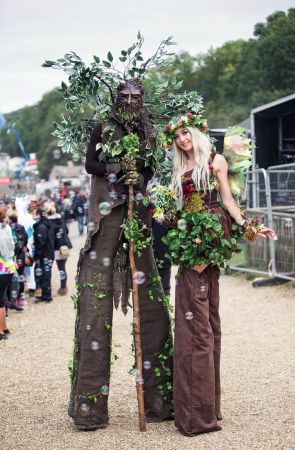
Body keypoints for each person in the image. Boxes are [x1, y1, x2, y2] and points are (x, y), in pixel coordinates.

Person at [69, 78, 173, 430]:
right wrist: (115, 169)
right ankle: (90, 409)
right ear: (117, 99)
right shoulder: (103, 126)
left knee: (152, 302)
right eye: (125, 95)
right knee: (96, 302)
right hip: (108, 211)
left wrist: (138, 175)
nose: (130, 100)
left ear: (143, 100)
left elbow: (152, 167)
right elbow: (89, 164)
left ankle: (159, 401)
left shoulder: (150, 131)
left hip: (137, 209)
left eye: (136, 96)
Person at [162, 114, 276, 437]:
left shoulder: (215, 161)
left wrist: (251, 227)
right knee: (201, 321)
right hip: (189, 241)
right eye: (177, 137)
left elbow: (227, 200)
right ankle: (202, 408)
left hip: (208, 239)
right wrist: (166, 213)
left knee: (199, 324)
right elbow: (180, 210)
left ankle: (199, 416)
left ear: (196, 132)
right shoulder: (178, 168)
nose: (183, 139)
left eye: (186, 133)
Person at [47, 205, 72, 295]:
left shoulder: (48, 223)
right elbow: (67, 231)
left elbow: (50, 237)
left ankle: (47, 288)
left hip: (53, 248)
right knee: (62, 269)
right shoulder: (61, 220)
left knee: (48, 269)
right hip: (63, 247)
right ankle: (63, 287)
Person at [0, 207, 16, 340]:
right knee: (1, 299)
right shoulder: (7, 228)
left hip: (1, 269)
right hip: (9, 268)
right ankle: (5, 329)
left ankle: (1, 331)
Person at [33, 208, 55, 303]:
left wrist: (37, 255)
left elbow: (41, 243)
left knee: (45, 275)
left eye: (34, 213)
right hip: (48, 253)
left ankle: (47, 296)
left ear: (38, 214)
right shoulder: (45, 224)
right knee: (45, 274)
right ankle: (45, 294)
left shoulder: (41, 226)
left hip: (45, 254)